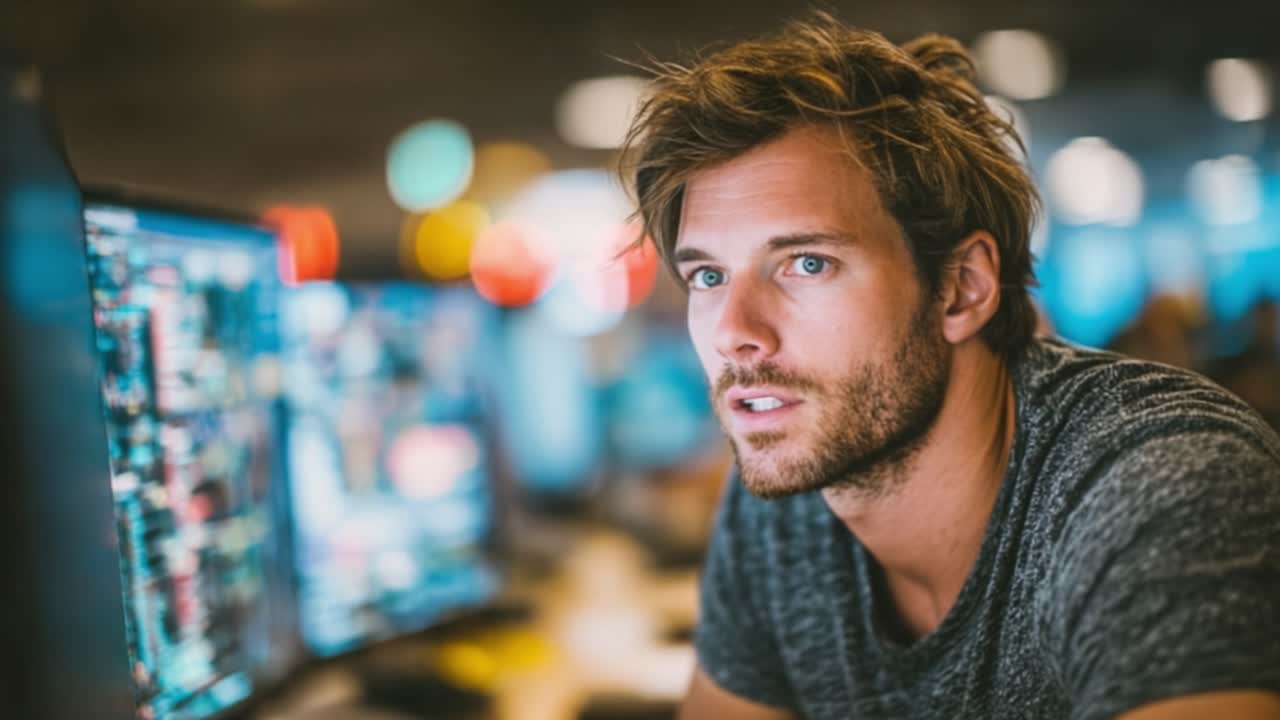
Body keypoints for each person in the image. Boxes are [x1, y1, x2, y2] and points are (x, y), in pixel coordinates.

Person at [619, 13, 1280, 720]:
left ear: (962, 288)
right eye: (708, 277)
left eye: (807, 264)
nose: (734, 333)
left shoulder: (1158, 485)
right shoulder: (783, 504)